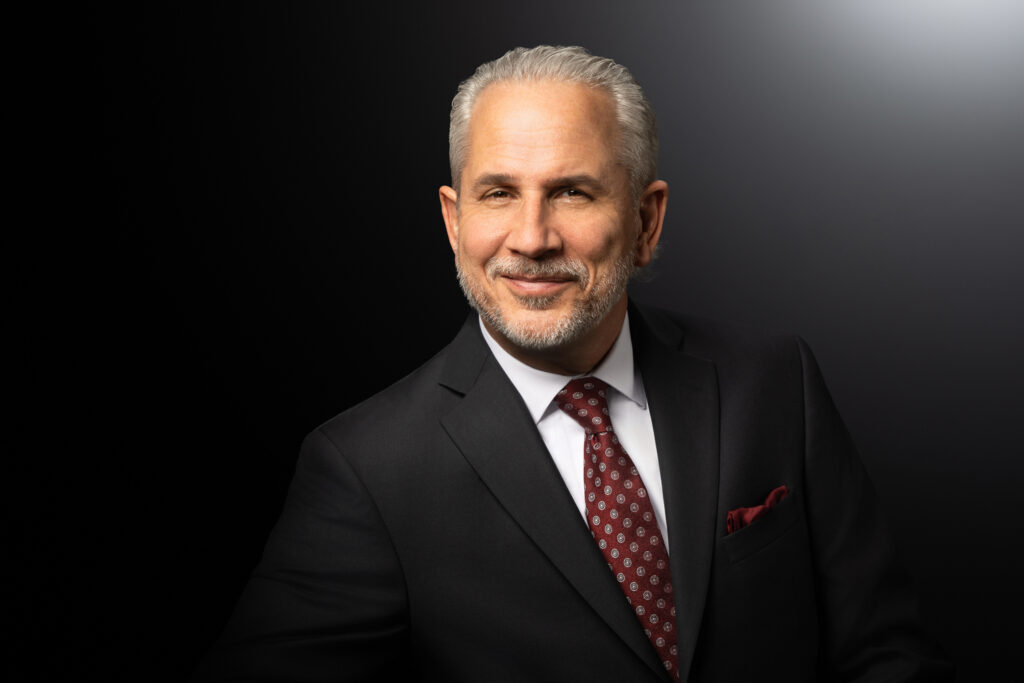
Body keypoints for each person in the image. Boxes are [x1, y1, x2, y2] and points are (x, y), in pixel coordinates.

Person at [193, 45, 952, 682]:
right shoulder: (366, 468)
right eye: (498, 193)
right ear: (455, 221)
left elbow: (886, 653)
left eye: (572, 192)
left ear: (646, 220)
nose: (531, 237)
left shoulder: (774, 382)